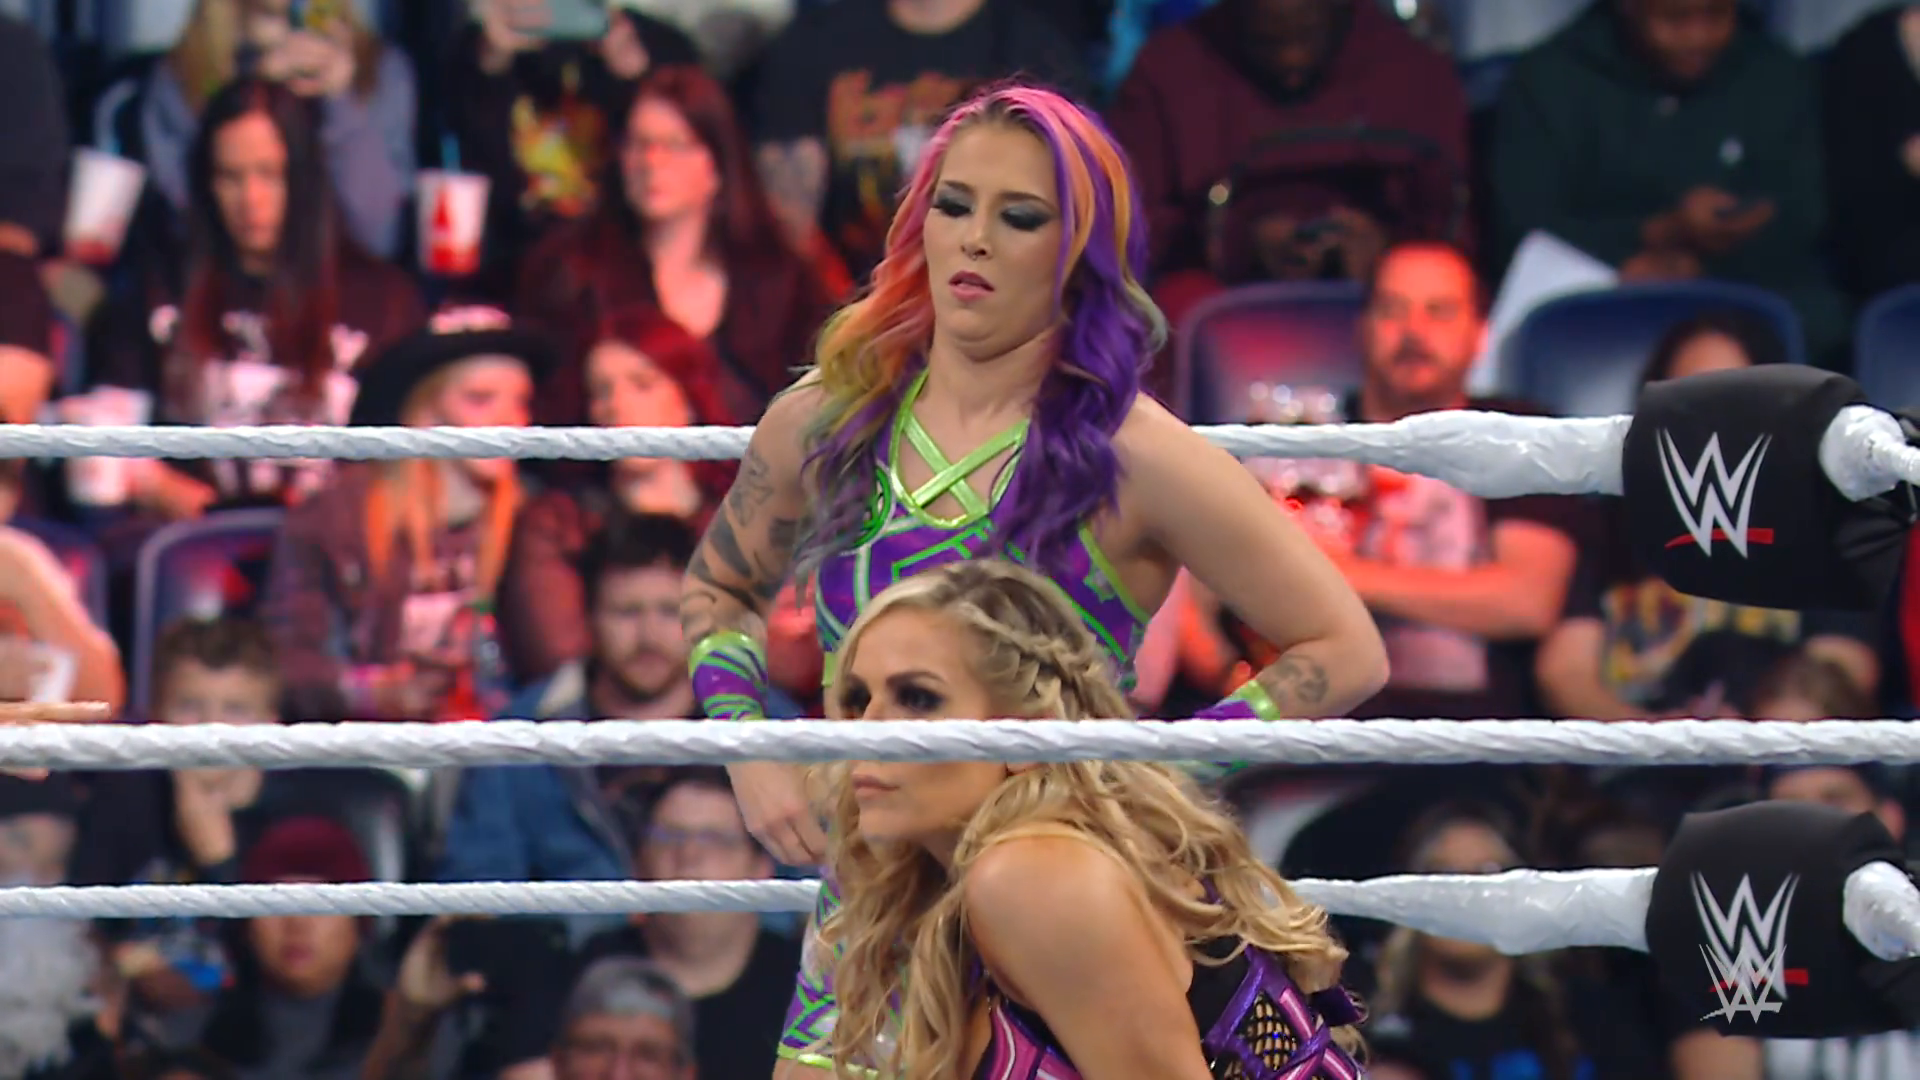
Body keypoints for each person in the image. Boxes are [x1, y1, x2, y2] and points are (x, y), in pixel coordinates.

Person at [677, 81, 1387, 1070]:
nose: (974, 239)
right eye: (953, 205)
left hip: (1051, 895)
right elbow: (717, 592)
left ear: (1076, 252)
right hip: (867, 909)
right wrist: (748, 749)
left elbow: (1345, 648)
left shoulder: (1135, 452)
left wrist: (1149, 775)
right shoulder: (824, 420)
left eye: (1019, 218)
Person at [813, 559, 1364, 1079]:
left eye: (917, 698)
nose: (870, 729)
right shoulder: (993, 876)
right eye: (857, 699)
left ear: (1027, 735)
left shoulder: (1034, 876)